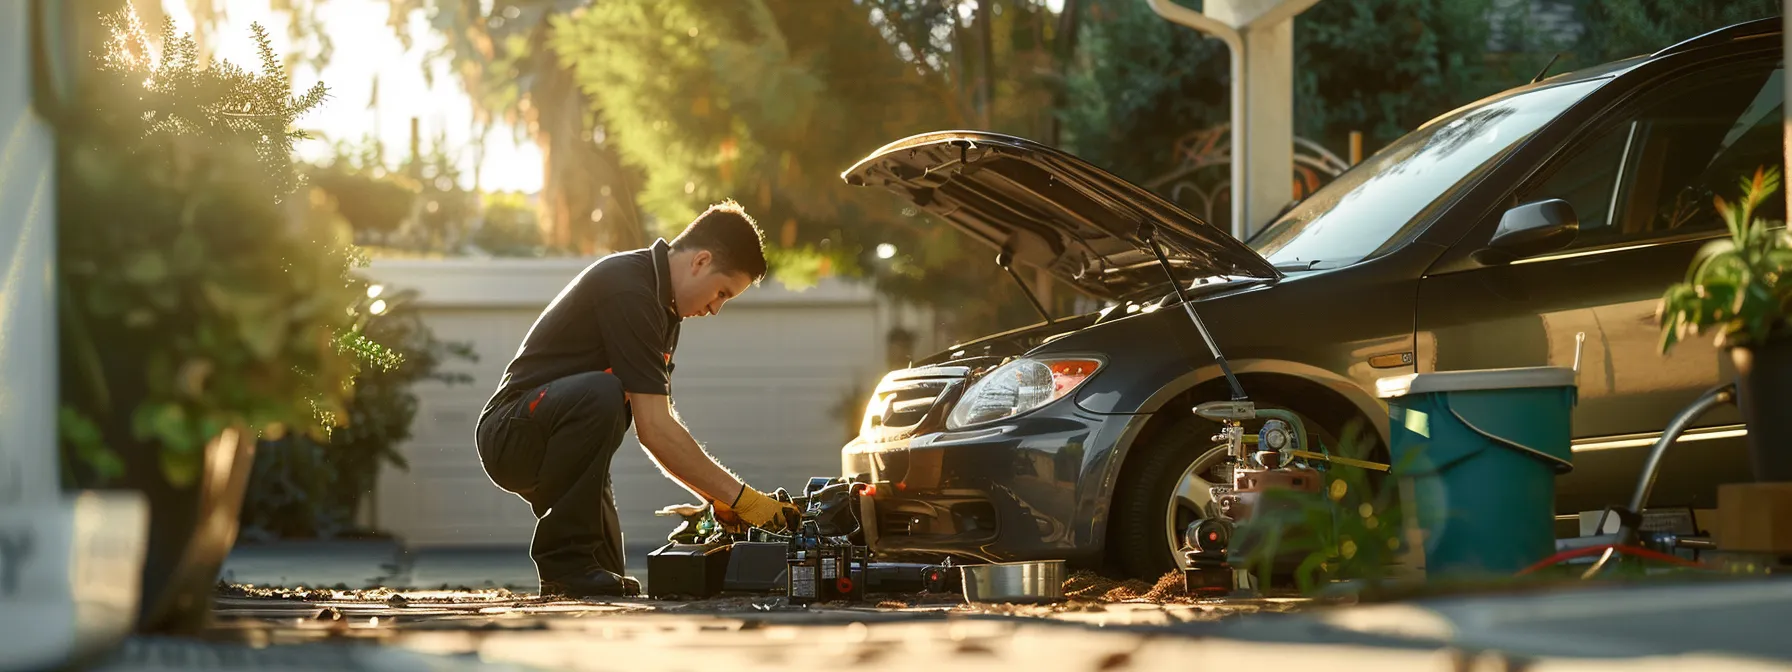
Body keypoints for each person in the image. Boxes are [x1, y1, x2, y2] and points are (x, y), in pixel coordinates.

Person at [474, 200, 801, 598]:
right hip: (511, 431)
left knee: (609, 584)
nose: (716, 309)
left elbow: (659, 420)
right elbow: (655, 429)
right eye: (721, 292)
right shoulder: (628, 286)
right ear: (700, 261)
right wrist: (744, 500)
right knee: (604, 393)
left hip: (567, 439)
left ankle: (575, 581)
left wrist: (719, 499)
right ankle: (562, 563)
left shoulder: (665, 315)